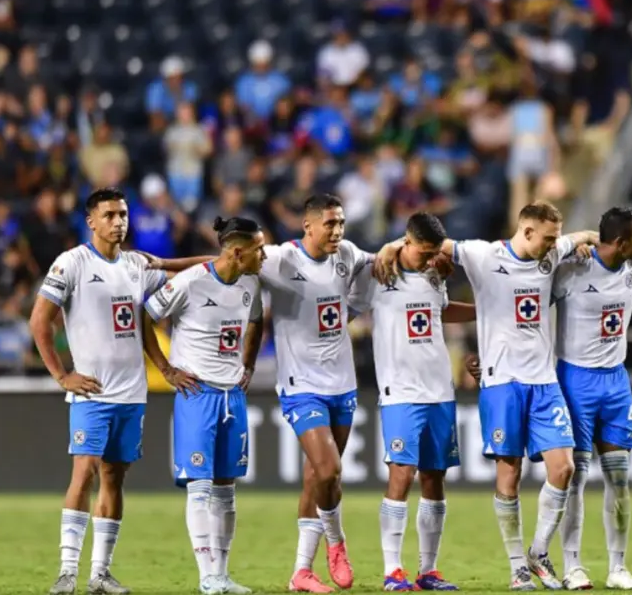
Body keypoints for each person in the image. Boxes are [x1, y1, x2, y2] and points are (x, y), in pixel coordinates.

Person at [373, 201, 600, 590]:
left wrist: (585, 241)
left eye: (556, 238)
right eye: (547, 238)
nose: (553, 245)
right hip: (501, 384)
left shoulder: (553, 252)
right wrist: (389, 246)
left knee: (564, 469)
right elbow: (428, 244)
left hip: (545, 382)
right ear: (527, 231)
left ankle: (539, 551)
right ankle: (517, 567)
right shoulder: (481, 255)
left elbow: (586, 237)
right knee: (508, 475)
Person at [32, 188, 167, 595]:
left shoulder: (135, 264)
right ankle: (67, 571)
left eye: (123, 214)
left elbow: (163, 296)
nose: (118, 221)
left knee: (114, 478)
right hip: (92, 392)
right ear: (91, 221)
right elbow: (41, 322)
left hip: (131, 394)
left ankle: (100, 574)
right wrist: (62, 375)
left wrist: (224, 259)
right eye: (109, 215)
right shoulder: (71, 263)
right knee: (84, 472)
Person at [141, 217, 266, 595]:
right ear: (237, 252)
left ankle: (222, 574)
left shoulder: (251, 283)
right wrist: (165, 369)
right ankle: (206, 575)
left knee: (226, 489)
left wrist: (249, 364)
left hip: (233, 395)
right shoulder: (193, 281)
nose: (264, 255)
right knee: (200, 486)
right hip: (197, 395)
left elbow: (256, 322)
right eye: (259, 249)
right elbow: (144, 317)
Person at [349, 213, 475, 591]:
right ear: (405, 241)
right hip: (400, 391)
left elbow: (440, 310)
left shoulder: (435, 274)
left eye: (435, 251)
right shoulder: (379, 272)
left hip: (440, 390)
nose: (431, 257)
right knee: (401, 474)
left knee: (435, 478)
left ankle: (428, 571)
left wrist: (485, 313)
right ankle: (392, 571)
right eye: (424, 251)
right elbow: (346, 302)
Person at [255, 195, 371, 593]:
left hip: (343, 383)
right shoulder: (282, 259)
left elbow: (376, 267)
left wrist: (348, 312)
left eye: (341, 223)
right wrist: (168, 266)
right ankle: (337, 543)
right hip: (301, 385)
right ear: (308, 226)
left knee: (316, 478)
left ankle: (301, 572)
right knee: (329, 470)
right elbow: (226, 260)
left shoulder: (349, 255)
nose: (338, 231)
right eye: (330, 224)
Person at [550, 207, 632, 590]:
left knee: (619, 479)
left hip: (616, 382)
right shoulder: (573, 270)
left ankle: (618, 568)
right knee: (575, 479)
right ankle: (572, 566)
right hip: (574, 380)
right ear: (621, 241)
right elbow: (524, 298)